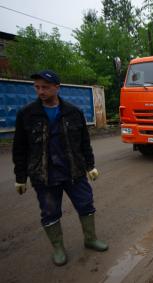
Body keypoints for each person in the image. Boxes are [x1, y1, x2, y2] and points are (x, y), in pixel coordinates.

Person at [12, 70, 108, 266]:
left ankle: (90, 239)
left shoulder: (73, 112)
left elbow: (84, 142)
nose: (40, 91)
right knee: (50, 212)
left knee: (86, 204)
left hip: (74, 171)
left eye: (45, 87)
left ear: (57, 88)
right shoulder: (27, 114)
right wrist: (20, 177)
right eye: (37, 87)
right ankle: (58, 248)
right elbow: (19, 148)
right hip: (44, 176)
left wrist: (90, 166)